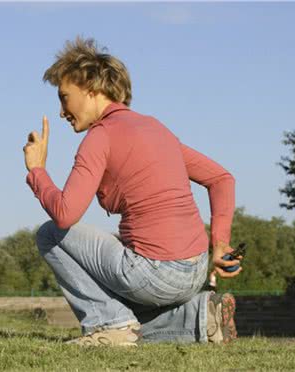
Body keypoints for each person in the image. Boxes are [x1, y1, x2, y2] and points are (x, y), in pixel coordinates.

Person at [23, 37, 242, 346]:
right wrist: (220, 244)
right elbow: (222, 179)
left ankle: (109, 326)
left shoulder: (100, 137)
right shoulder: (156, 128)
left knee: (49, 235)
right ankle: (197, 317)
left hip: (154, 274)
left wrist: (37, 171)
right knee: (116, 274)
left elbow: (65, 214)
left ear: (91, 89)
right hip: (194, 270)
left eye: (64, 97)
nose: (61, 111)